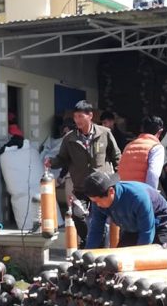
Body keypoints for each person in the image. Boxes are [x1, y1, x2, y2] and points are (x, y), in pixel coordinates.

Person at [45, 100, 121, 243]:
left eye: (81, 116)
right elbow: (62, 158)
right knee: (77, 214)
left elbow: (116, 156)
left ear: (90, 115)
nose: (77, 120)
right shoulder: (69, 138)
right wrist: (52, 162)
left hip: (101, 186)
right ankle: (87, 239)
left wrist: (119, 175)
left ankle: (98, 244)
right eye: (75, 117)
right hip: (81, 187)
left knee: (102, 218)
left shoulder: (105, 133)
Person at [83, 171, 167, 251]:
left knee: (157, 258)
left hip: (161, 222)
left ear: (111, 192)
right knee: (120, 260)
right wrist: (88, 254)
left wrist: (138, 256)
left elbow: (147, 232)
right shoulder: (98, 201)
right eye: (94, 201)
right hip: (132, 227)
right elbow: (96, 230)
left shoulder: (137, 197)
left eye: (97, 201)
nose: (97, 205)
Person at [117, 115, 165, 189]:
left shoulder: (129, 145)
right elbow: (153, 173)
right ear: (160, 131)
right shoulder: (156, 148)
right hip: (140, 192)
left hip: (123, 190)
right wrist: (151, 195)